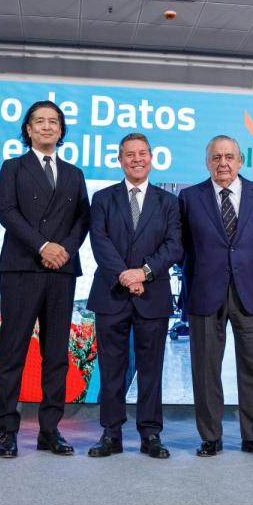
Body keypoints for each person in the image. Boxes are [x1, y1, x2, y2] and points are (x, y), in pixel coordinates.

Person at [0, 101, 90, 458]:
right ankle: (7, 431)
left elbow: (83, 219)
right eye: (40, 122)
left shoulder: (74, 174)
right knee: (13, 352)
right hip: (22, 267)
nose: (47, 127)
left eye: (54, 122)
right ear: (28, 130)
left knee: (56, 356)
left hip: (61, 270)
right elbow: (7, 212)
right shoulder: (12, 168)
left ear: (61, 131)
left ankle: (50, 430)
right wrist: (43, 245)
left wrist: (62, 249)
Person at [179, 135, 253, 458]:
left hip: (251, 290)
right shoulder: (190, 197)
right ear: (207, 162)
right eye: (217, 157)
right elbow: (181, 245)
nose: (223, 163)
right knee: (206, 368)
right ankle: (210, 436)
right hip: (205, 291)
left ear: (240, 161)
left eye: (229, 157)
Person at [87, 133, 182, 459]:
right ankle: (110, 433)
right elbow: (99, 242)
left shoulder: (168, 202)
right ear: (120, 159)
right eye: (130, 154)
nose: (136, 159)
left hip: (151, 295)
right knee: (112, 368)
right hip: (111, 294)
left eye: (142, 153)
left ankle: (150, 434)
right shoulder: (102, 198)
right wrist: (126, 276)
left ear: (151, 158)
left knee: (151, 368)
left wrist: (144, 272)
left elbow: (174, 245)